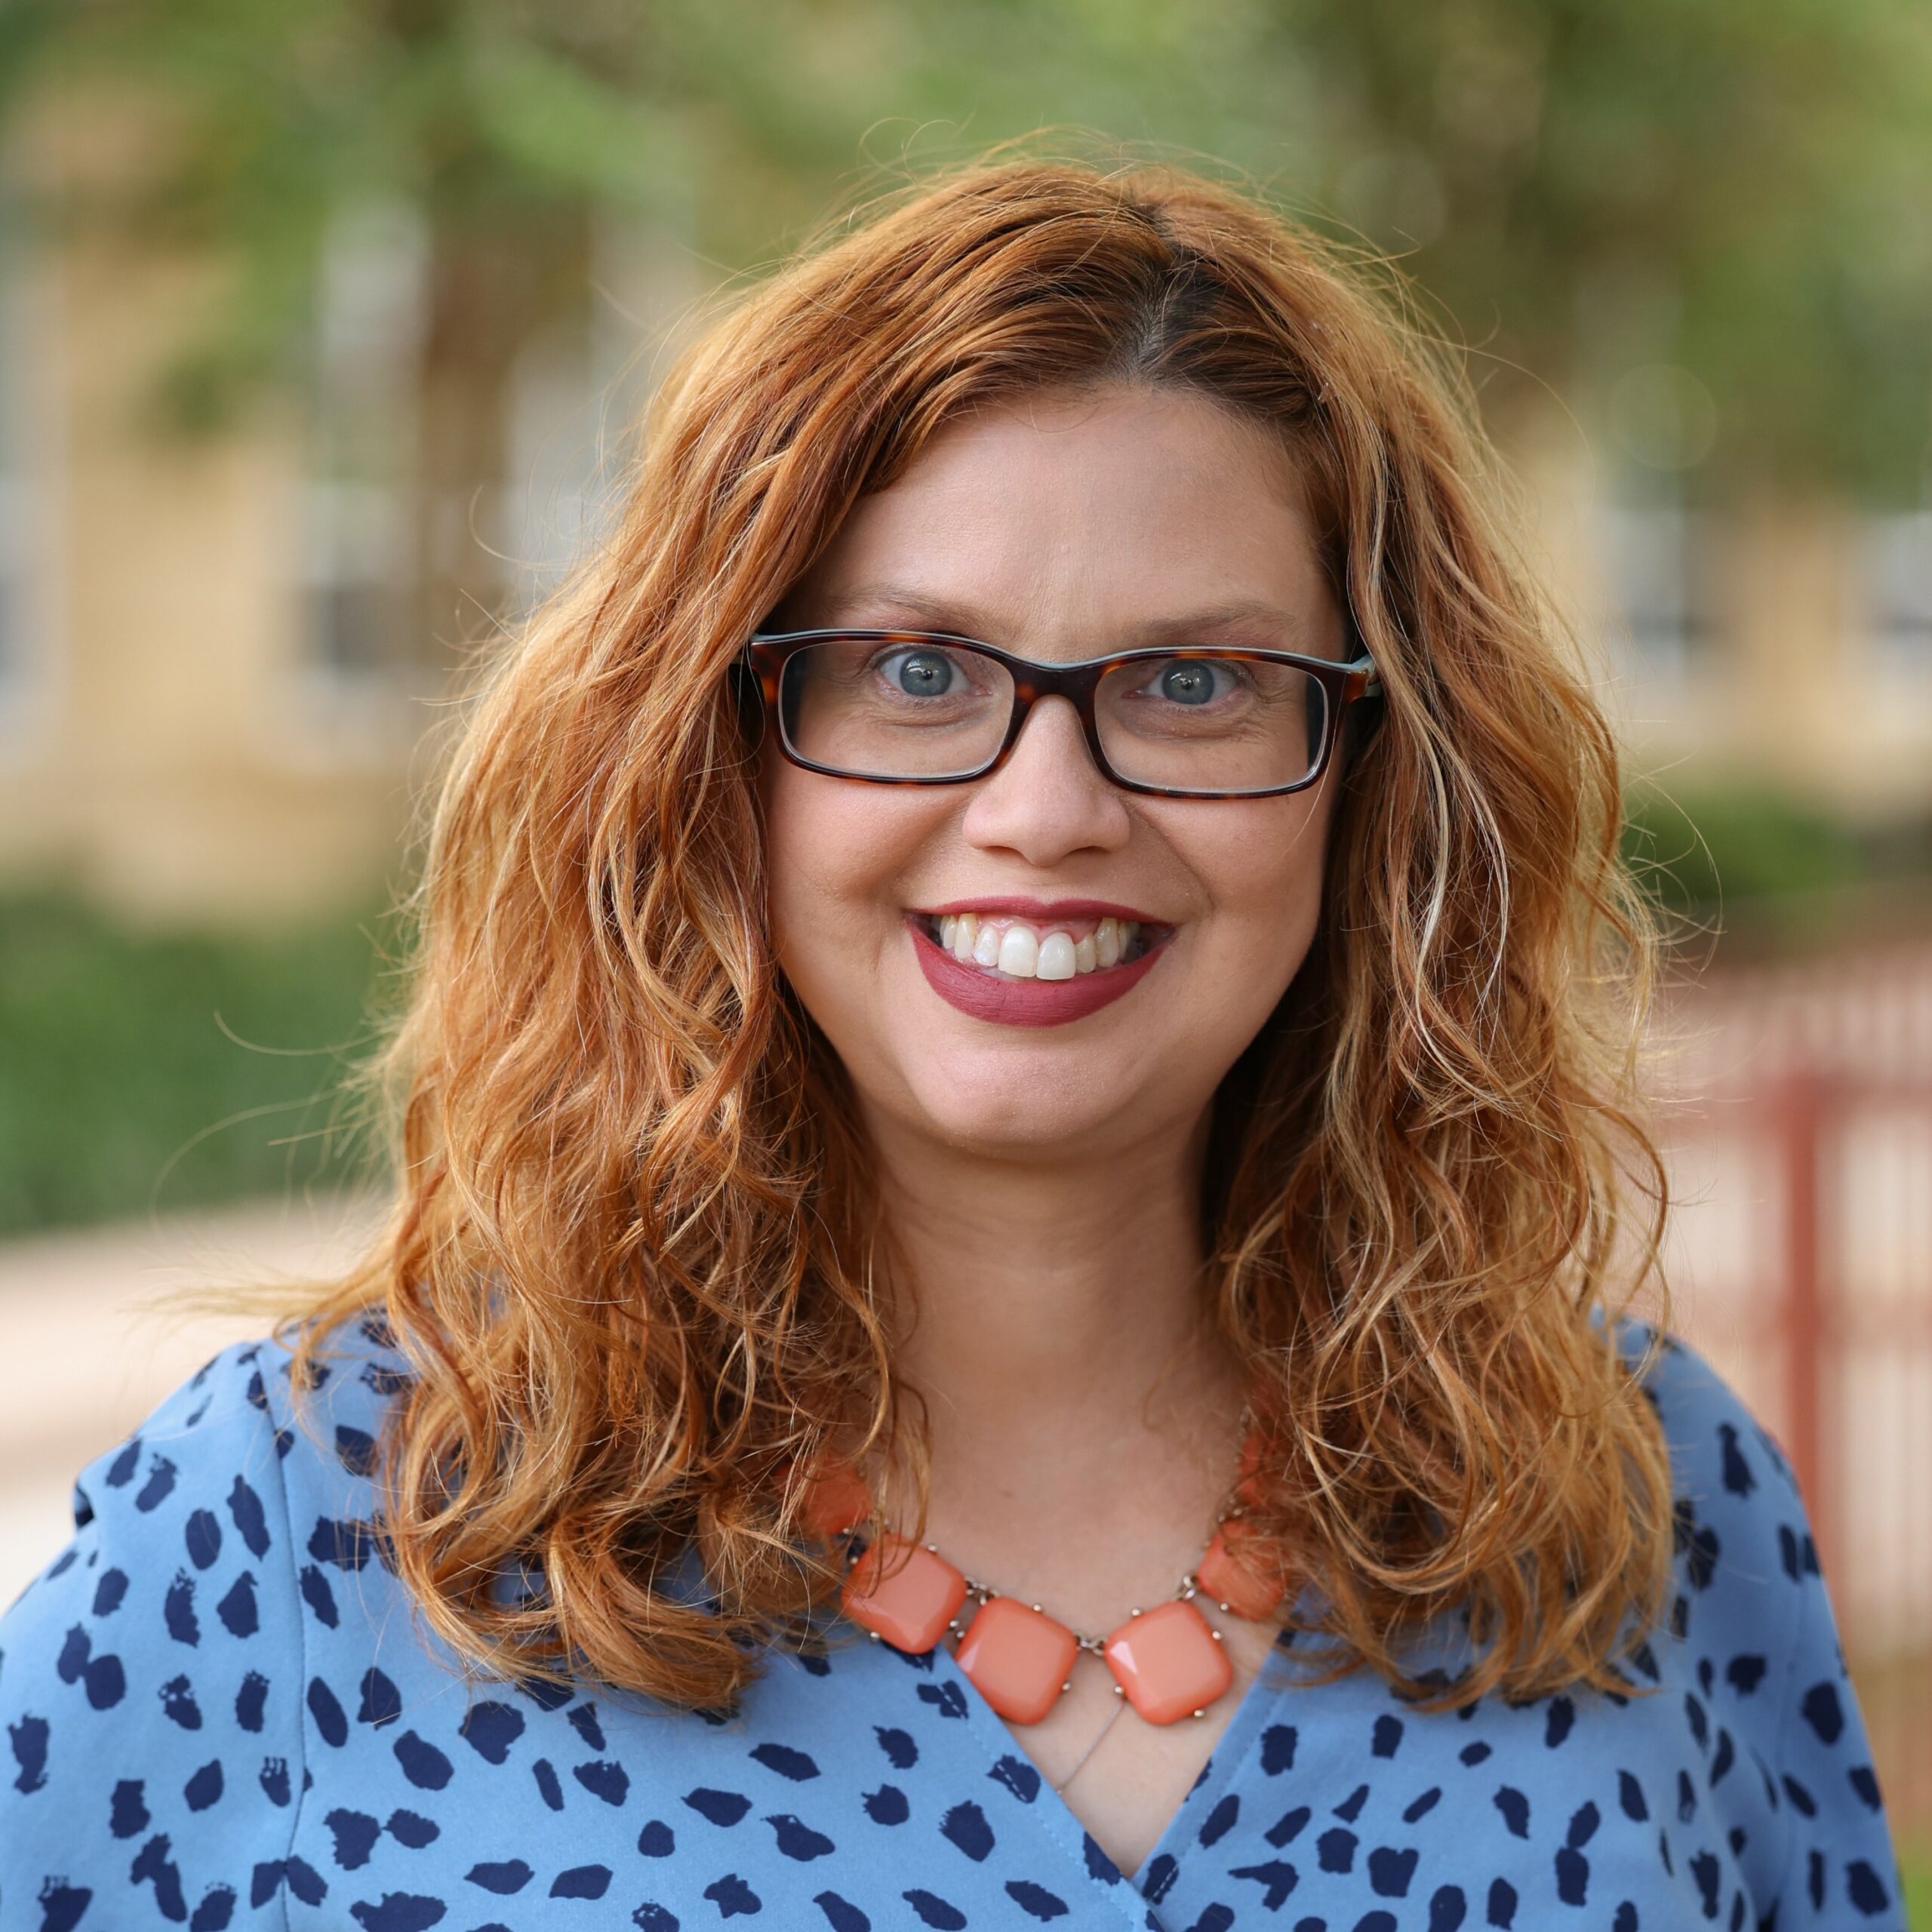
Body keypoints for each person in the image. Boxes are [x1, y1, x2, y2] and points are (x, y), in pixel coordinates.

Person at [0, 158, 1903, 1931]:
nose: (1046, 804)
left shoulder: (1629, 1495)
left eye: (1194, 681)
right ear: (709, 753)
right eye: (916, 670)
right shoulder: (313, 1522)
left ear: (1374, 781)